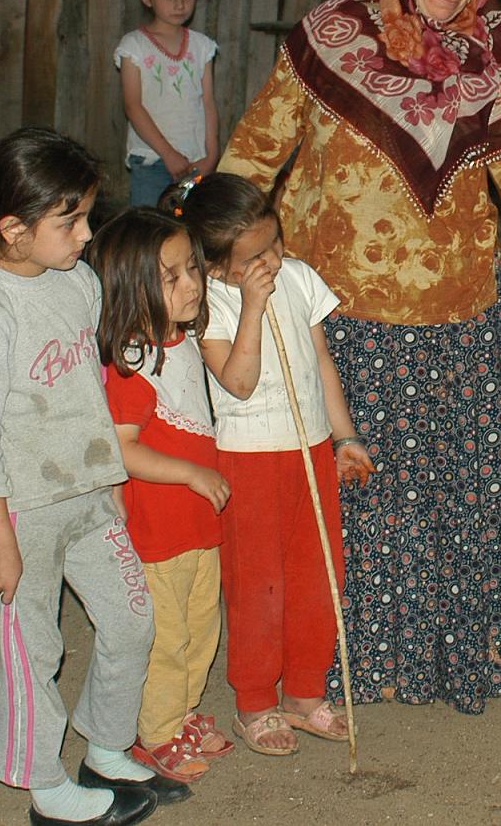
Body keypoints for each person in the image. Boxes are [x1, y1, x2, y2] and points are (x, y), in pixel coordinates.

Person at [218, 0, 501, 714]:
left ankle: (446, 649)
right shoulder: (330, 38)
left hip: (458, 314)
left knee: (448, 490)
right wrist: (211, 251)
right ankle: (339, 658)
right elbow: (257, 147)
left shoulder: (490, 57)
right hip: (344, 312)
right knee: (358, 494)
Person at [0, 128, 183, 826]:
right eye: (71, 219)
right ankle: (44, 784)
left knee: (132, 618)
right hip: (23, 510)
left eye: (86, 214)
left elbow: (89, 387)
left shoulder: (74, 280)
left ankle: (106, 746)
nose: (87, 233)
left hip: (88, 492)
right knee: (34, 649)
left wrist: (108, 477)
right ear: (13, 229)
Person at [169, 173, 373, 755]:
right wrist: (253, 306)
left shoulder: (301, 278)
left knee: (316, 578)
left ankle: (306, 694)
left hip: (309, 449)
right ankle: (255, 700)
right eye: (253, 257)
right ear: (214, 265)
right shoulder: (211, 304)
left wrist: (344, 436)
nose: (272, 261)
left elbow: (323, 365)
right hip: (248, 462)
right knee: (258, 587)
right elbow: (237, 382)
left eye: (275, 244)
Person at [89, 207, 234, 783]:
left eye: (192, 269)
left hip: (197, 527)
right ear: (132, 287)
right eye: (170, 277)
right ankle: (155, 732)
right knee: (166, 638)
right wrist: (191, 474)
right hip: (156, 534)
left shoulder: (184, 345)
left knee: (201, 628)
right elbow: (123, 449)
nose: (192, 284)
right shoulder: (132, 364)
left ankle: (182, 712)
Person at [116, 0, 219, 207]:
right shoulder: (134, 46)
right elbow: (133, 106)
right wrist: (168, 155)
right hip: (152, 160)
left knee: (189, 230)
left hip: (196, 162)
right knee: (151, 234)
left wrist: (212, 154)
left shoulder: (201, 46)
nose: (180, 4)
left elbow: (208, 103)